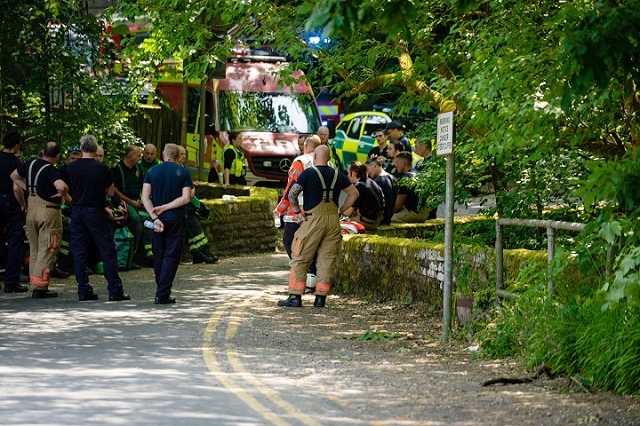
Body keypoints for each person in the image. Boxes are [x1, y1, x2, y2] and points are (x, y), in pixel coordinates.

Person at [278, 145, 358, 308]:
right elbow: (354, 193)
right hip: (332, 221)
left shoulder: (308, 173)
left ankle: (295, 296)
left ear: (314, 157)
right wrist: (341, 211)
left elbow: (292, 194)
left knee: (300, 255)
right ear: (328, 158)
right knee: (326, 259)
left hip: (313, 220)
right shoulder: (338, 175)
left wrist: (297, 212)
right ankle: (320, 298)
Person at [67, 135, 130, 301]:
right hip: (95, 210)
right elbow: (110, 191)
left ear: (81, 149)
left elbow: (64, 187)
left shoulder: (71, 168)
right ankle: (115, 291)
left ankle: (83, 290)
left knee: (79, 251)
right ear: (95, 150)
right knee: (107, 250)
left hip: (77, 211)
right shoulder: (101, 168)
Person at [11, 142, 70, 298]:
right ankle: (40, 287)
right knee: (49, 248)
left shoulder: (29, 164)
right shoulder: (51, 170)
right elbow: (61, 186)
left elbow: (14, 176)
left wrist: (29, 188)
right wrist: (62, 193)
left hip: (31, 209)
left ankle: (34, 283)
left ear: (43, 152)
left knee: (35, 249)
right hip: (48, 212)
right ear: (57, 156)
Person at [142, 143, 194, 304]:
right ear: (178, 156)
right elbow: (186, 198)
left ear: (163, 155)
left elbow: (145, 197)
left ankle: (161, 288)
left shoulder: (152, 171)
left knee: (159, 253)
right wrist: (165, 208)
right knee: (171, 255)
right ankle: (162, 292)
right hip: (175, 217)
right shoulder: (183, 172)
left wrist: (155, 217)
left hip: (158, 220)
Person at [176, 145, 218, 264]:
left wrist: (191, 192)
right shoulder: (173, 169)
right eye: (181, 154)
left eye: (185, 154)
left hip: (188, 201)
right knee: (192, 223)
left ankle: (203, 250)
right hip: (180, 204)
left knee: (195, 222)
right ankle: (198, 252)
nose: (184, 156)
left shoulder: (183, 168)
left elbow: (191, 186)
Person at [112, 145, 151, 267]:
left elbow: (143, 186)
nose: (141, 157)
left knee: (150, 220)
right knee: (137, 222)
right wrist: (130, 202)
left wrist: (143, 200)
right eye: (138, 155)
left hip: (137, 201)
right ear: (130, 156)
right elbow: (114, 189)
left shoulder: (138, 169)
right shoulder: (117, 169)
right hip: (122, 202)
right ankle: (131, 257)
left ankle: (147, 255)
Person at [0, 131, 28, 294]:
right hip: (10, 203)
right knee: (15, 241)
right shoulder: (16, 163)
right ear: (17, 145)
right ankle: (11, 281)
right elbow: (17, 187)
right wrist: (23, 205)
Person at [343, 161, 384, 231]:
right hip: (377, 221)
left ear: (353, 173)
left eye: (348, 173)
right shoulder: (371, 182)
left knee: (338, 224)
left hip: (368, 222)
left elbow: (348, 212)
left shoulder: (359, 187)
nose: (347, 176)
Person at [391, 152, 430, 223]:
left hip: (414, 214)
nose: (395, 165)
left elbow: (398, 206)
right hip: (425, 214)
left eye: (397, 162)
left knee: (389, 220)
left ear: (403, 164)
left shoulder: (405, 179)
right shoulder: (419, 174)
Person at [366, 159, 396, 225]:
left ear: (374, 166)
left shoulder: (378, 182)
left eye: (368, 170)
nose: (368, 173)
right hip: (389, 218)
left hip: (381, 220)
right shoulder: (393, 178)